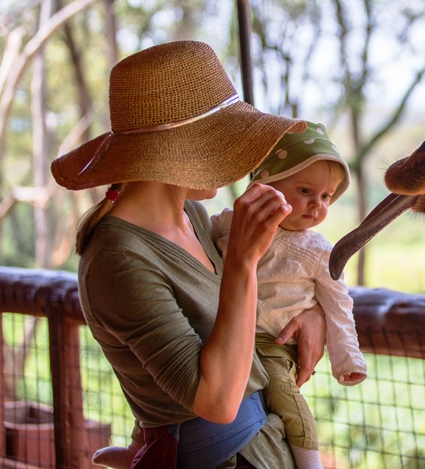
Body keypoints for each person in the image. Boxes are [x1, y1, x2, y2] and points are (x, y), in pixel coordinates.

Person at [51, 40, 326, 469]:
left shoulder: (192, 214)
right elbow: (216, 402)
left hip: (265, 445)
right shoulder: (117, 257)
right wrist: (241, 262)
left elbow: (237, 314)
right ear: (186, 146)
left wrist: (313, 312)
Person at [213, 122, 367, 469]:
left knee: (283, 393)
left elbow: (338, 305)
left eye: (326, 197)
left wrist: (347, 359)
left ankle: (309, 460)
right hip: (226, 332)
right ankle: (143, 444)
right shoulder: (231, 222)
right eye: (305, 191)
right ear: (264, 185)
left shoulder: (317, 250)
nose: (317, 206)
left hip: (275, 345)